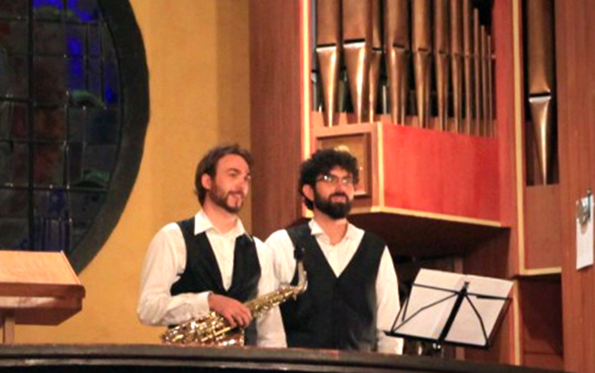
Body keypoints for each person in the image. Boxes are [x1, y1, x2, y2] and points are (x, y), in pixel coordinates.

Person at [137, 144, 285, 346]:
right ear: (207, 181)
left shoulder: (260, 250)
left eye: (246, 178)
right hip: (189, 371)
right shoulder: (173, 238)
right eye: (233, 174)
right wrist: (208, 302)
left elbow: (271, 331)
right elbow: (148, 308)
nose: (241, 184)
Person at [263, 147, 403, 353]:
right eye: (330, 179)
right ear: (309, 191)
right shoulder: (281, 243)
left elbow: (389, 327)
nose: (340, 187)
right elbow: (268, 324)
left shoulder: (376, 248)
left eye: (347, 180)